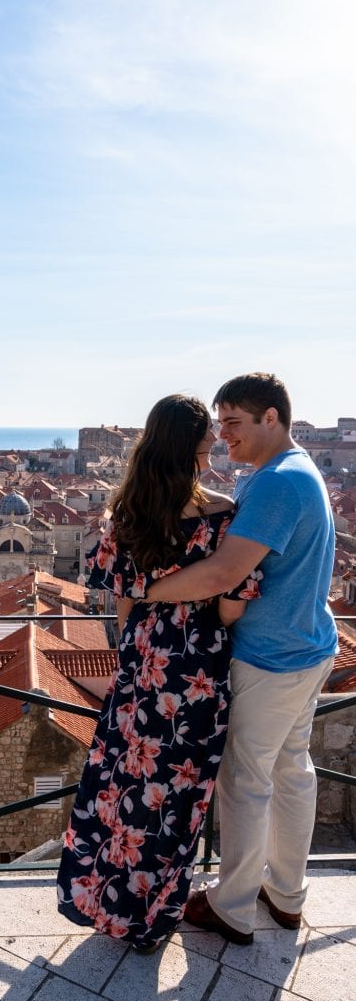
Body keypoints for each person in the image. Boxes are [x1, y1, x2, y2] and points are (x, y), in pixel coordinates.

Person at [56, 394, 261, 952]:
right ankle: (154, 916)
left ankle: (111, 905)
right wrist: (205, 618)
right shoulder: (223, 514)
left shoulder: (128, 513)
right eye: (206, 445)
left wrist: (135, 655)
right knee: (177, 795)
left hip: (143, 663)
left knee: (125, 787)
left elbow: (123, 606)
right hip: (198, 669)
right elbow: (231, 603)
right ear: (192, 448)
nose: (212, 451)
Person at [144, 373, 338, 945]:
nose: (222, 434)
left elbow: (227, 571)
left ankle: (231, 907)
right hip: (308, 647)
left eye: (233, 422)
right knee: (291, 772)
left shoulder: (277, 482)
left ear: (271, 418)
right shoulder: (297, 471)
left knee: (246, 780)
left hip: (270, 657)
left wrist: (148, 593)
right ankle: (285, 895)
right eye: (218, 422)